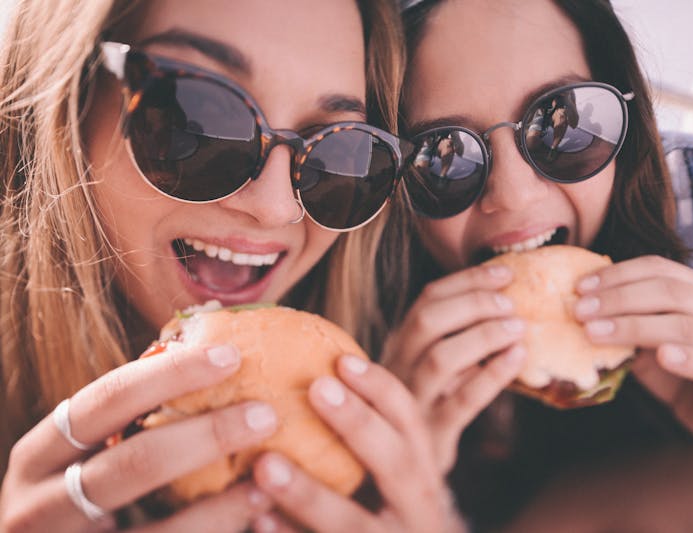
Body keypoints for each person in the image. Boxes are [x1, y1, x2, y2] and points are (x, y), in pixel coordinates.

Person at [0, 1, 465, 532]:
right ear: (65, 101)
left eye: (341, 152)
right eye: (198, 117)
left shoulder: (413, 442)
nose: (275, 208)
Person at [374, 0, 693, 530]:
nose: (512, 197)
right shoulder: (365, 268)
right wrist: (404, 474)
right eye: (442, 154)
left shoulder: (690, 200)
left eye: (564, 123)